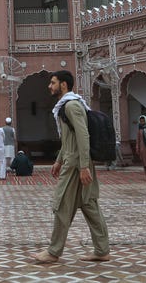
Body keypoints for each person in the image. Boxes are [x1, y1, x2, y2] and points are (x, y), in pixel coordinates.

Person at [33, 70, 109, 264]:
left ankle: (53, 251)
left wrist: (83, 166)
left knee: (60, 206)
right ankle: (102, 250)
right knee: (89, 205)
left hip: (76, 165)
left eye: (53, 83)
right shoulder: (67, 105)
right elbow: (69, 139)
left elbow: (83, 136)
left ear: (63, 85)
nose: (50, 86)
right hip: (75, 161)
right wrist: (59, 160)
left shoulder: (71, 106)